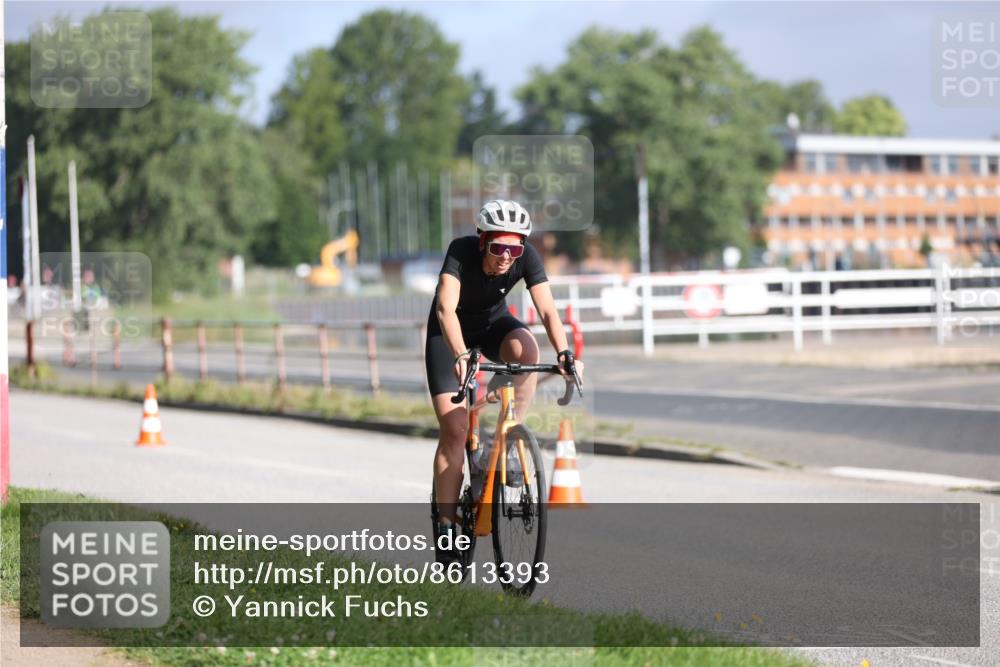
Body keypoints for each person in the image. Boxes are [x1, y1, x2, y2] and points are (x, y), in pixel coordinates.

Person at [426, 199, 580, 564]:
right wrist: (462, 354)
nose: (507, 257)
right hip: (450, 336)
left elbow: (546, 309)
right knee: (454, 428)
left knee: (526, 353)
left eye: (515, 248)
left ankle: (505, 439)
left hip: (494, 326)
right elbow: (445, 309)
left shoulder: (526, 256)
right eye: (499, 248)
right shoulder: (460, 251)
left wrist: (563, 352)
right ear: (482, 242)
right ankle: (447, 525)